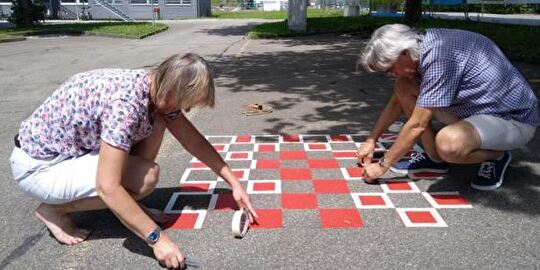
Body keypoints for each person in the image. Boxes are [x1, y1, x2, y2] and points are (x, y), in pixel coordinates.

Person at [9, 53, 258, 269]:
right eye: (186, 103)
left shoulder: (153, 86)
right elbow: (107, 186)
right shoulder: (125, 105)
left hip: (68, 153)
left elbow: (193, 141)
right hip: (41, 167)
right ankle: (54, 210)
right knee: (141, 177)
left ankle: (127, 207)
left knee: (158, 128)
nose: (188, 110)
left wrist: (233, 181)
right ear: (172, 89)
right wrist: (157, 240)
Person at [356, 24, 538, 190]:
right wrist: (372, 139)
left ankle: (496, 156)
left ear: (404, 52)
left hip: (512, 119)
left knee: (447, 144)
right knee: (403, 86)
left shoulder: (439, 58)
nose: (392, 74)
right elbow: (397, 101)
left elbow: (417, 124)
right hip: (473, 109)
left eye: (390, 68)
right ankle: (434, 158)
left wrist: (382, 166)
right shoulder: (423, 45)